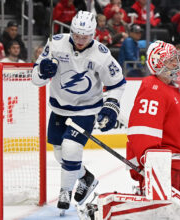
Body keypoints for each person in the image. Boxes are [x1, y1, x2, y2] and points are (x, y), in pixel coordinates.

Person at [31, 11, 126, 212]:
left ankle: (65, 191)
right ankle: (85, 177)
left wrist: (111, 105)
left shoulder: (101, 54)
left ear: (94, 34)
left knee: (71, 149)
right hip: (59, 108)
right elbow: (36, 79)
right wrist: (42, 71)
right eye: (76, 35)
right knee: (60, 155)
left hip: (85, 110)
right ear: (71, 30)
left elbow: (118, 84)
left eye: (85, 36)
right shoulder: (56, 43)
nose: (80, 40)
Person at [126, 40, 180, 194]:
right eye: (169, 60)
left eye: (175, 58)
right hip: (163, 162)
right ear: (157, 65)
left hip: (179, 160)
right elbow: (143, 132)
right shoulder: (152, 87)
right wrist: (150, 162)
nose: (176, 63)